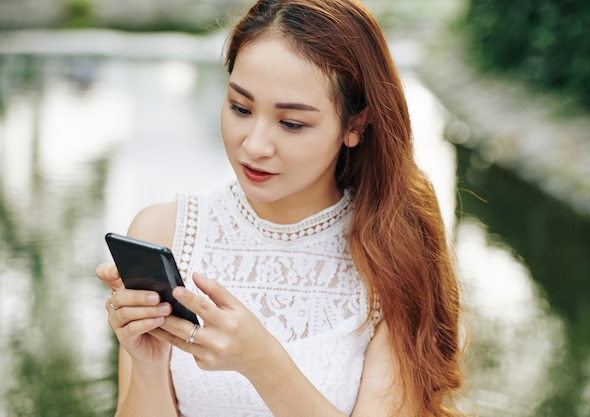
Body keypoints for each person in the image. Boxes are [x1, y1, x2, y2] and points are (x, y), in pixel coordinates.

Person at [96, 1, 465, 416]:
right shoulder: (163, 231)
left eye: (291, 123)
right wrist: (148, 365)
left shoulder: (391, 252)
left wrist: (264, 366)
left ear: (355, 126)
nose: (254, 145)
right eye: (240, 107)